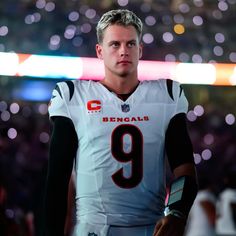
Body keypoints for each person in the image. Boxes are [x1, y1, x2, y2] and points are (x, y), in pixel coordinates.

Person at [44, 9, 198, 236]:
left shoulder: (167, 94)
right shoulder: (73, 96)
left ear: (140, 50)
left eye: (131, 44)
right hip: (93, 229)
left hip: (152, 228)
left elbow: (184, 169)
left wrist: (176, 212)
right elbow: (57, 178)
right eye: (115, 44)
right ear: (100, 51)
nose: (123, 51)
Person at [216, 168, 236, 235]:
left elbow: (218, 214)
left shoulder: (222, 195)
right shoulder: (233, 194)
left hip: (220, 230)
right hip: (230, 230)